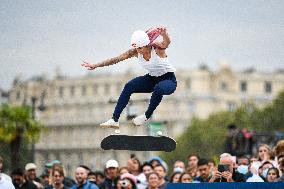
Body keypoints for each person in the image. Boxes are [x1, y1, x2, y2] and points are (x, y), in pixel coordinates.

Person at [82, 26, 177, 128]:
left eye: (140, 48)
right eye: (136, 48)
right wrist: (95, 65)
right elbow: (116, 59)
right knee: (129, 86)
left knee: (159, 88)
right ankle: (114, 119)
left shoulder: (157, 49)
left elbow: (167, 42)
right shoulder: (135, 52)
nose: (138, 51)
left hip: (168, 80)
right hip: (152, 79)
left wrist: (164, 33)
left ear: (147, 45)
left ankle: (146, 115)